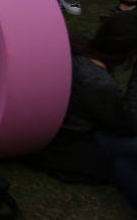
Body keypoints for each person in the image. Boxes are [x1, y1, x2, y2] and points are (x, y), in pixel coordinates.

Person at [33, 12, 137, 210]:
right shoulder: (98, 82)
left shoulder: (76, 49)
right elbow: (129, 126)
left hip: (48, 128)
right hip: (69, 142)